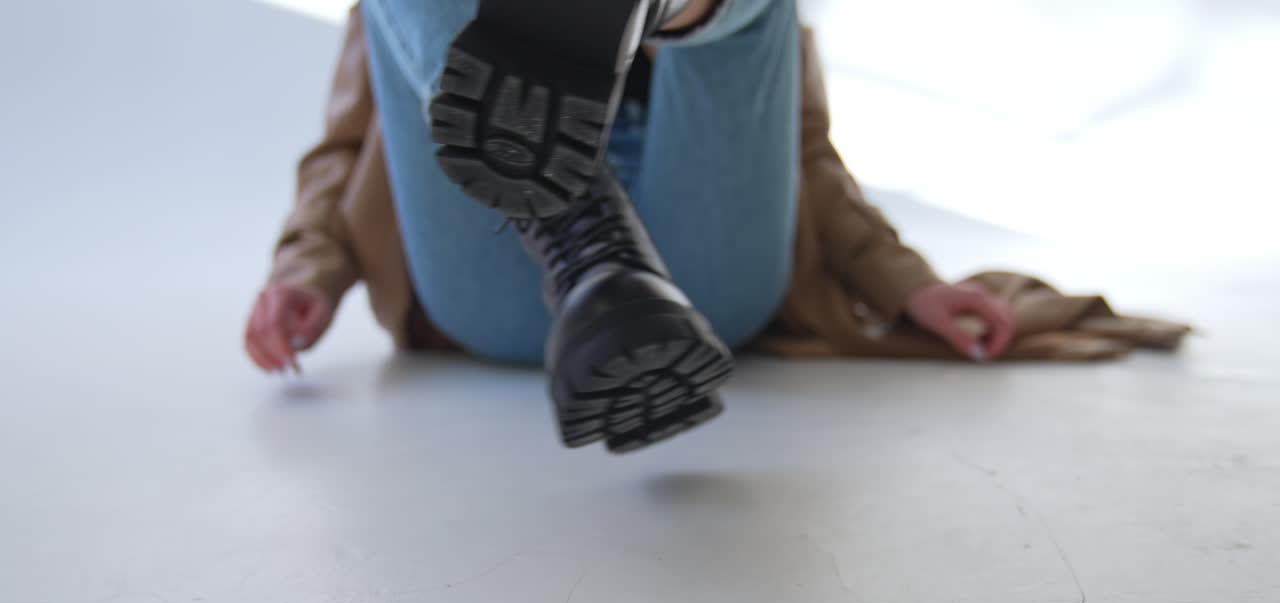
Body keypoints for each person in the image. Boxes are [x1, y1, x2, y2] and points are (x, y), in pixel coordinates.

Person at [246, 1, 1028, 453]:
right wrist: (304, 270)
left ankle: (657, 11)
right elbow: (350, 149)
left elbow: (801, 153)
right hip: (499, 259)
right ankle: (575, 225)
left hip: (686, 289)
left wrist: (909, 283)